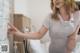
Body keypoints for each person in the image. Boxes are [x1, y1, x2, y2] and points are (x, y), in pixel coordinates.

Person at [8, 0, 80, 53]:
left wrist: (73, 36)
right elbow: (39, 34)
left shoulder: (77, 14)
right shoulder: (50, 17)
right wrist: (19, 33)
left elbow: (75, 31)